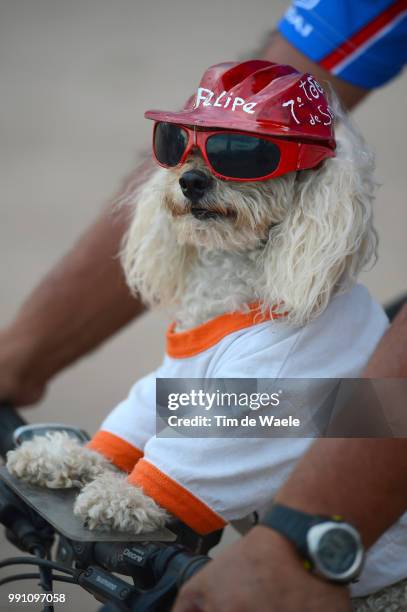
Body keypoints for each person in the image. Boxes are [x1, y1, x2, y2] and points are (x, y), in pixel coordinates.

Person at [0, 1, 406, 610]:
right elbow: (188, 390)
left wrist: (145, 488)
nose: (194, 175)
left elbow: (237, 423)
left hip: (374, 580)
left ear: (312, 182)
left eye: (243, 155)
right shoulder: (235, 310)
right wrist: (98, 454)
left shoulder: (292, 340)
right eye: (179, 146)